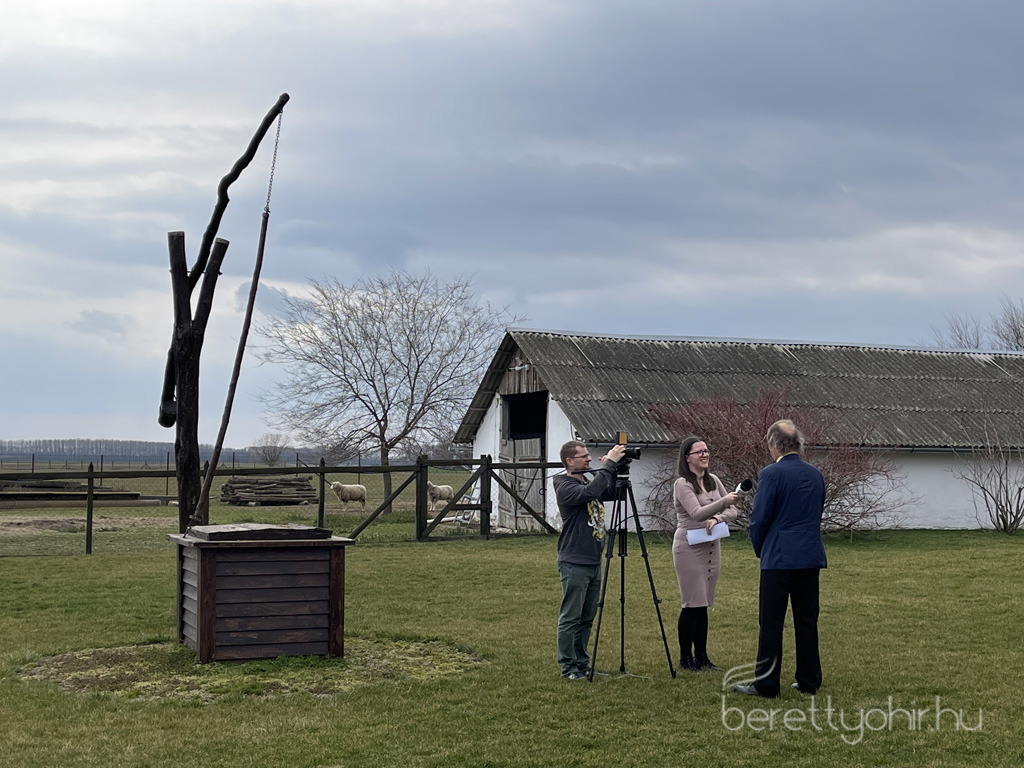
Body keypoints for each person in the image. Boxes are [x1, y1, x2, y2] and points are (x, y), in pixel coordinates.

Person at [734, 419, 827, 698]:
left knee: (772, 622)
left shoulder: (771, 474)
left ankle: (766, 684)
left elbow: (760, 518)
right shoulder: (815, 474)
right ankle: (809, 680)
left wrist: (761, 548)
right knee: (807, 620)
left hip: (778, 558)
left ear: (774, 444)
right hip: (809, 555)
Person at [553, 440, 626, 680]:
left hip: (594, 559)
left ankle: (582, 663)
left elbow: (613, 493)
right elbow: (590, 493)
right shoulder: (564, 485)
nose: (589, 459)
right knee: (571, 616)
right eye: (584, 456)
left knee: (587, 616)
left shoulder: (586, 480)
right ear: (569, 461)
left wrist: (616, 469)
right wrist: (608, 467)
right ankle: (568, 667)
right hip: (574, 559)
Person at [671, 436, 740, 672]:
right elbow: (697, 513)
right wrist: (723, 501)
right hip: (689, 547)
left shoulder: (713, 481)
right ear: (687, 457)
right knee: (692, 603)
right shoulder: (683, 484)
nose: (704, 455)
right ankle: (685, 658)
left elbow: (733, 511)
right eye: (699, 452)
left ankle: (702, 656)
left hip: (711, 546)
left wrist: (718, 517)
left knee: (704, 603)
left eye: (706, 451)